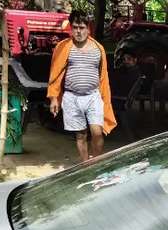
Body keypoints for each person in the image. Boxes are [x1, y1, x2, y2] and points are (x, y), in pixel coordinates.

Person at [47, 10, 116, 161]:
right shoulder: (63, 47)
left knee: (97, 132)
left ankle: (95, 161)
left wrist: (105, 98)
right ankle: (86, 164)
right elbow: (55, 74)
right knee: (81, 134)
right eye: (75, 27)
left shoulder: (98, 49)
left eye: (82, 27)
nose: (78, 31)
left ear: (88, 28)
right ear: (71, 28)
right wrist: (54, 98)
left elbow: (103, 76)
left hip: (93, 96)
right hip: (72, 97)